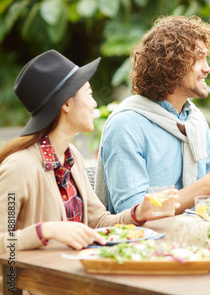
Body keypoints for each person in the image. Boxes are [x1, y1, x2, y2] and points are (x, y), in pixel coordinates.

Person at [0, 50, 178, 254]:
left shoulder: (71, 156)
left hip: (77, 277)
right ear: (67, 103)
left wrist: (139, 213)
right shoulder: (19, 167)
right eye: (90, 95)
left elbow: (100, 222)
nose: (94, 104)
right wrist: (44, 231)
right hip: (38, 285)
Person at [95, 15, 210, 214]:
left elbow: (207, 199)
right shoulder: (126, 125)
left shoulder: (194, 120)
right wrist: (209, 183)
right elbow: (132, 211)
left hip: (194, 234)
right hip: (147, 241)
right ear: (171, 64)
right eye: (198, 59)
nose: (208, 68)